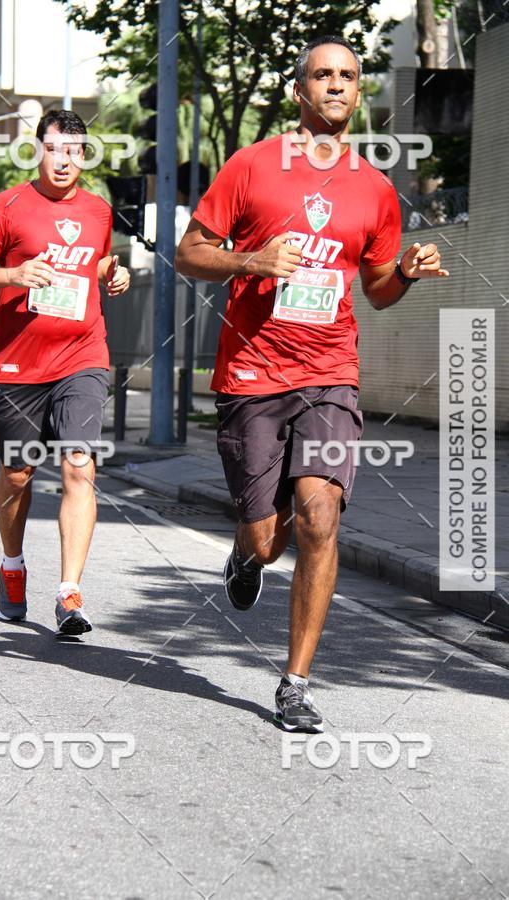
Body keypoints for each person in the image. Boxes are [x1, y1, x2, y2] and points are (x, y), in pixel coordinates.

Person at [175, 36, 449, 731]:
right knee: (267, 536)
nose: (335, 86)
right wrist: (252, 259)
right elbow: (189, 253)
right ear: (299, 91)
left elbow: (378, 290)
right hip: (253, 373)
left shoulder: (376, 188)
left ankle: (295, 681)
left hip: (330, 371)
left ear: (359, 92)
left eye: (348, 76)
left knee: (320, 515)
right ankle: (245, 556)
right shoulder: (252, 166)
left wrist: (407, 273)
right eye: (322, 75)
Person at [0, 109, 130, 634]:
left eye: (75, 151)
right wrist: (13, 273)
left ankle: (69, 592)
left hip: (83, 356)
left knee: (80, 466)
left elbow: (92, 264)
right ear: (39, 150)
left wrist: (110, 276)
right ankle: (12, 566)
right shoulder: (8, 205)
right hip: (18, 364)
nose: (64, 160)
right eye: (55, 149)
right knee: (17, 474)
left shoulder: (99, 211)